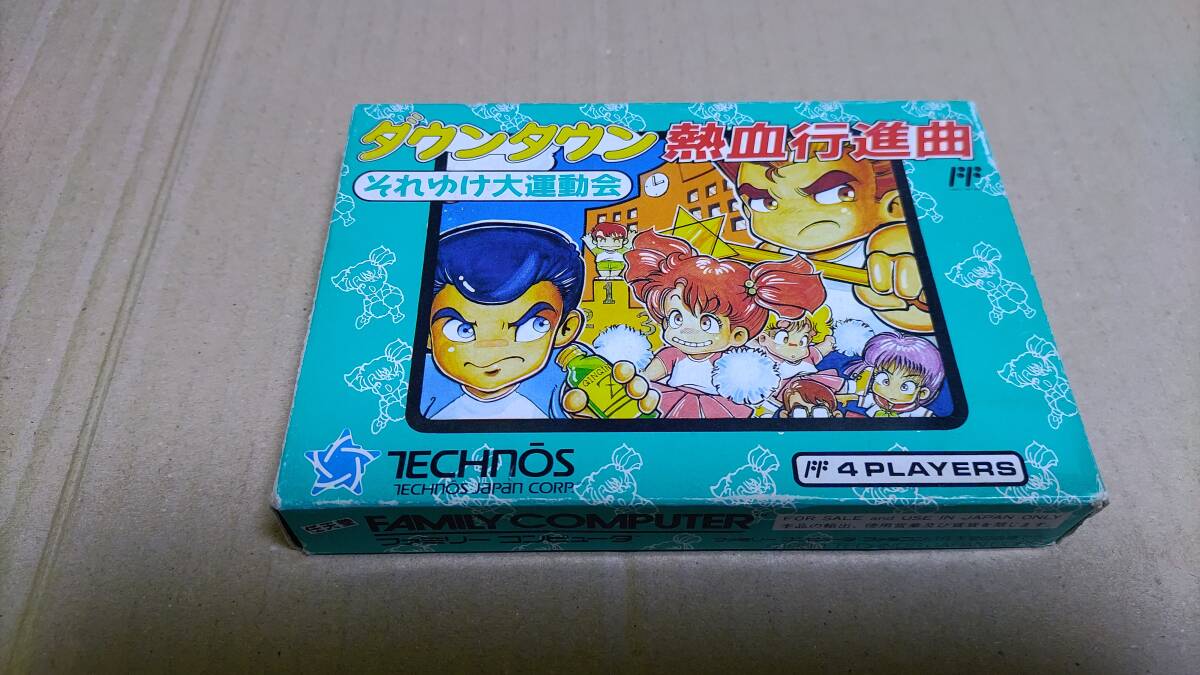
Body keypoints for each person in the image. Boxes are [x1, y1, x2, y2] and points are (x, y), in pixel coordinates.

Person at [420, 221, 656, 420]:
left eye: (532, 326)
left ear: (565, 329)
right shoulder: (423, 380)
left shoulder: (567, 377)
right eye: (461, 329)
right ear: (428, 335)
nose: (492, 348)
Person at [623, 229, 825, 418]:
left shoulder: (729, 363)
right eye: (676, 318)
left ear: (737, 335)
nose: (687, 330)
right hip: (671, 400)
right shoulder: (672, 355)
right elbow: (646, 378)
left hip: (717, 409)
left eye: (706, 323)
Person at [843, 332, 945, 418]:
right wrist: (845, 397)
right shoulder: (877, 400)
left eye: (905, 387)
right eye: (885, 381)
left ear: (922, 393)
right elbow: (859, 397)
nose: (891, 391)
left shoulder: (918, 412)